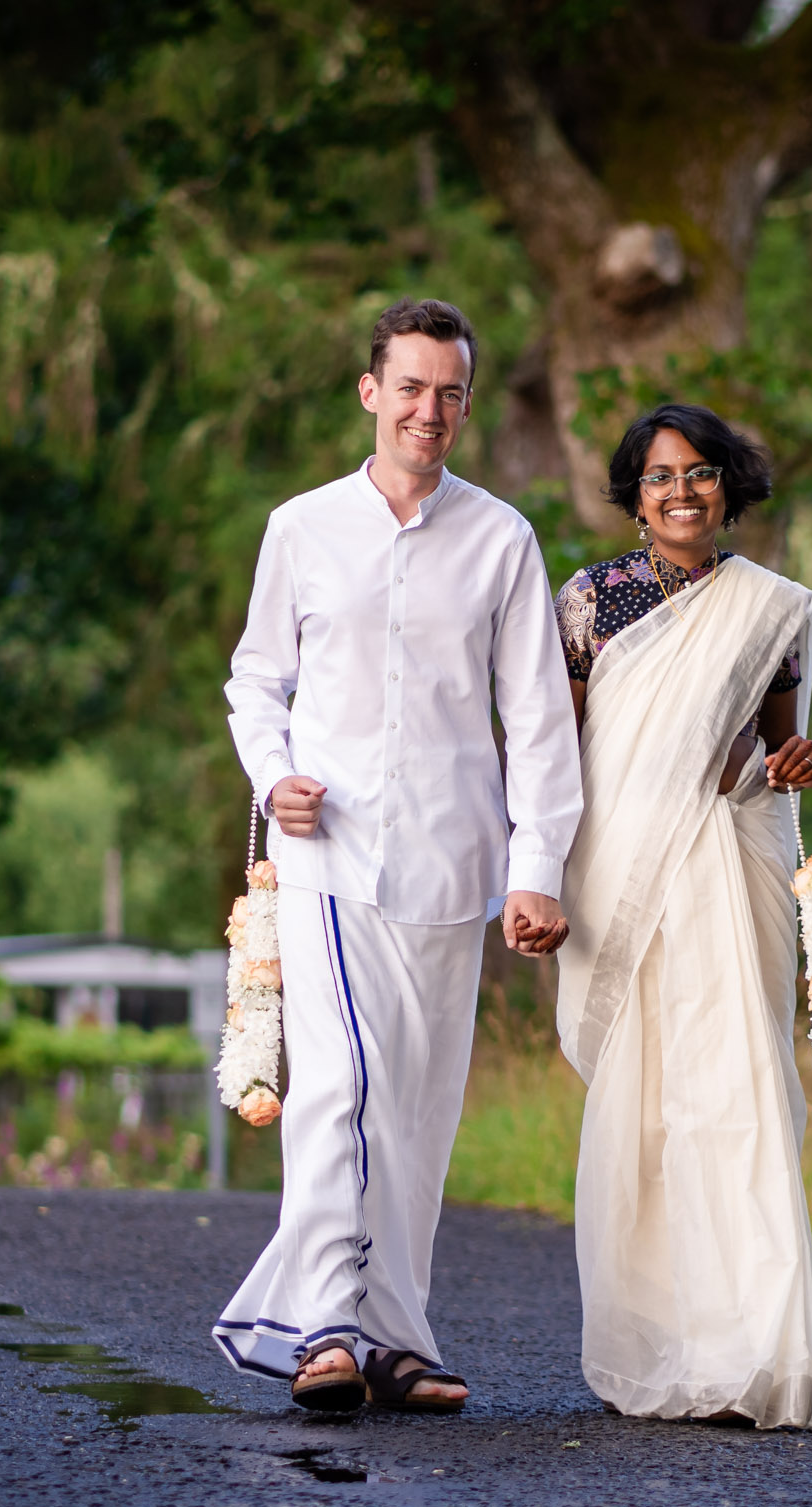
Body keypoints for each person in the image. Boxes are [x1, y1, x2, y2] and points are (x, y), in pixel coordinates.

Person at [213, 298, 582, 1414]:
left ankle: (395, 1336)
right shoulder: (302, 527)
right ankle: (322, 1324)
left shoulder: (501, 539)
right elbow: (254, 676)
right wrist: (272, 771)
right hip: (329, 852)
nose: (429, 410)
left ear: (466, 403)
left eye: (450, 392)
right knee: (341, 1084)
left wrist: (537, 870)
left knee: (418, 1106)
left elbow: (536, 718)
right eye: (410, 387)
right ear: (371, 391)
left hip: (450, 862)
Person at [553, 402, 812, 1430]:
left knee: (738, 1102)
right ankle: (661, 1349)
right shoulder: (591, 602)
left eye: (700, 472)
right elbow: (554, 752)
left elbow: (773, 755)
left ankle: (754, 1355)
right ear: (634, 496)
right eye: (659, 476)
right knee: (647, 1112)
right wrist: (533, 873)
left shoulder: (770, 607)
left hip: (723, 867)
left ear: (730, 485)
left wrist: (793, 763)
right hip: (619, 874)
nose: (681, 491)